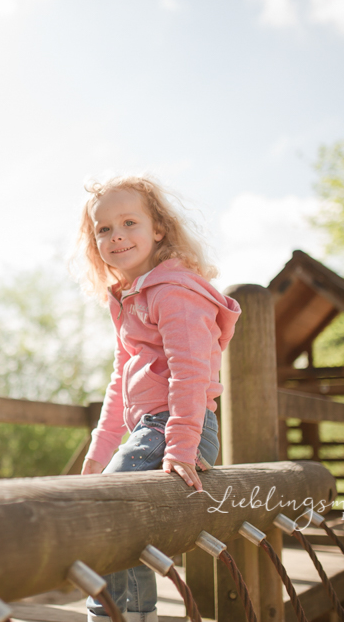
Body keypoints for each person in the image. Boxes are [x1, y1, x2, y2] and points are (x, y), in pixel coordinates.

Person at [77, 175, 241, 622]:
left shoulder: (172, 292)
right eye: (104, 229)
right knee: (130, 528)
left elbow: (190, 374)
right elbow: (118, 384)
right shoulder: (130, 299)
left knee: (106, 509)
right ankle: (140, 614)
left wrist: (182, 445)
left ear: (159, 229)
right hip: (153, 428)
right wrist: (99, 454)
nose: (117, 236)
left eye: (129, 222)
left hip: (178, 427)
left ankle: (107, 614)